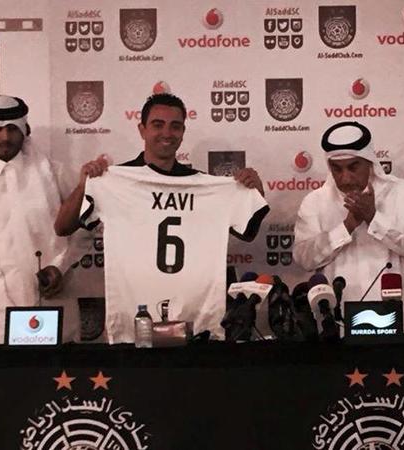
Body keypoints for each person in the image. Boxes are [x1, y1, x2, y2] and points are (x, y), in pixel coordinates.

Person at [55, 93, 269, 342]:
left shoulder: (204, 186)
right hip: (134, 321)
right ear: (142, 129)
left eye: (175, 126)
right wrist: (84, 185)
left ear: (183, 132)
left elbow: (248, 232)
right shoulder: (116, 180)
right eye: (158, 124)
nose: (167, 133)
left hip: (194, 323)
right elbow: (62, 227)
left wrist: (254, 192)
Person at [293, 121, 404, 339]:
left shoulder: (399, 192)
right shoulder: (315, 202)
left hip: (397, 313)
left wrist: (374, 218)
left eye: (353, 167)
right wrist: (347, 226)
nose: (345, 178)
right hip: (337, 320)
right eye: (337, 169)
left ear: (369, 162)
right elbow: (304, 258)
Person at [0, 95, 78, 344]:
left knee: (55, 370)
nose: (5, 137)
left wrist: (61, 266)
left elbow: (86, 227)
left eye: (12, 128)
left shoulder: (56, 175)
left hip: (51, 307)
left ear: (25, 130)